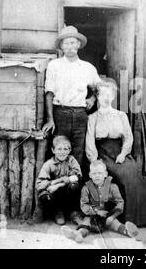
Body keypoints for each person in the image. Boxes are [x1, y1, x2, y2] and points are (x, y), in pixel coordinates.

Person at [85, 79, 146, 227]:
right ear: (97, 96)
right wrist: (94, 161)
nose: (106, 98)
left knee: (135, 172)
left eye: (109, 94)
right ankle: (127, 219)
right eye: (102, 94)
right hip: (103, 154)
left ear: (113, 96)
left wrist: (123, 153)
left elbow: (128, 137)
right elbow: (90, 141)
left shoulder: (121, 115)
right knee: (124, 176)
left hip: (119, 152)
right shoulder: (92, 117)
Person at [42, 25, 101, 178]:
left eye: (73, 43)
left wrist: (93, 98)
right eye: (66, 43)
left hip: (81, 114)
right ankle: (58, 187)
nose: (69, 46)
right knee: (59, 149)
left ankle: (75, 190)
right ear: (61, 46)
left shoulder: (87, 67)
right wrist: (50, 119)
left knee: (78, 152)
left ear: (78, 45)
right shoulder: (54, 65)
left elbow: (100, 86)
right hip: (60, 112)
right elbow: (49, 93)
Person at [61, 160, 143, 243]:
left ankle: (129, 232)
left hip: (107, 215)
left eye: (100, 173)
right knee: (86, 222)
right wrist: (96, 211)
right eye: (94, 173)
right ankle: (78, 234)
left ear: (105, 174)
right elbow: (84, 205)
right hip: (91, 214)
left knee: (114, 223)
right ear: (90, 175)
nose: (97, 176)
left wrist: (113, 216)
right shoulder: (86, 188)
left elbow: (120, 203)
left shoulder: (113, 187)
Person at [35, 136, 83, 225]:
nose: (62, 152)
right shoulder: (48, 164)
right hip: (55, 194)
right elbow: (39, 184)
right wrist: (51, 184)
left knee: (74, 186)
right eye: (59, 149)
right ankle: (58, 212)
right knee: (44, 196)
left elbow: (78, 177)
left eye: (65, 149)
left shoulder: (72, 160)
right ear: (53, 150)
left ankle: (72, 212)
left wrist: (58, 184)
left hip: (68, 192)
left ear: (69, 150)